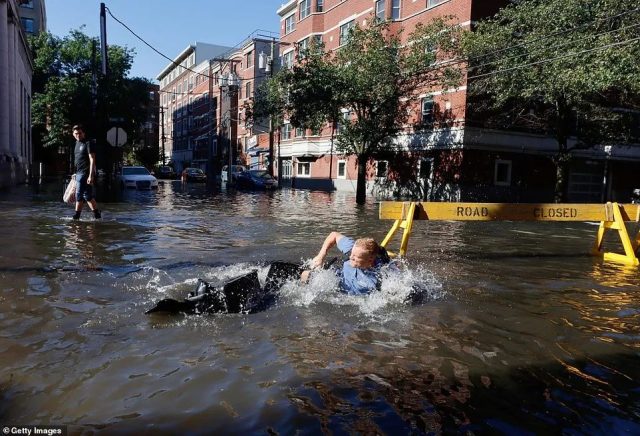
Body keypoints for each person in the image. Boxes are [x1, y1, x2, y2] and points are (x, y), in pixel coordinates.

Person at [303, 231, 391, 295]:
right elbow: (334, 235)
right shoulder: (353, 248)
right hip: (336, 280)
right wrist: (321, 256)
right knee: (298, 273)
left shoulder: (381, 275)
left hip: (353, 299)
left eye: (355, 257)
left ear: (370, 260)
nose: (350, 257)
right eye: (352, 254)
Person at [72, 124, 101, 220]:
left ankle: (76, 216)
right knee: (88, 196)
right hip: (79, 173)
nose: (78, 135)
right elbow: (78, 160)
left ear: (83, 133)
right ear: (73, 134)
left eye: (80, 133)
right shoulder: (76, 144)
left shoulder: (88, 143)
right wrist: (75, 173)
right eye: (76, 133)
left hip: (85, 173)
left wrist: (90, 175)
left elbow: (92, 159)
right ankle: (97, 215)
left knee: (79, 194)